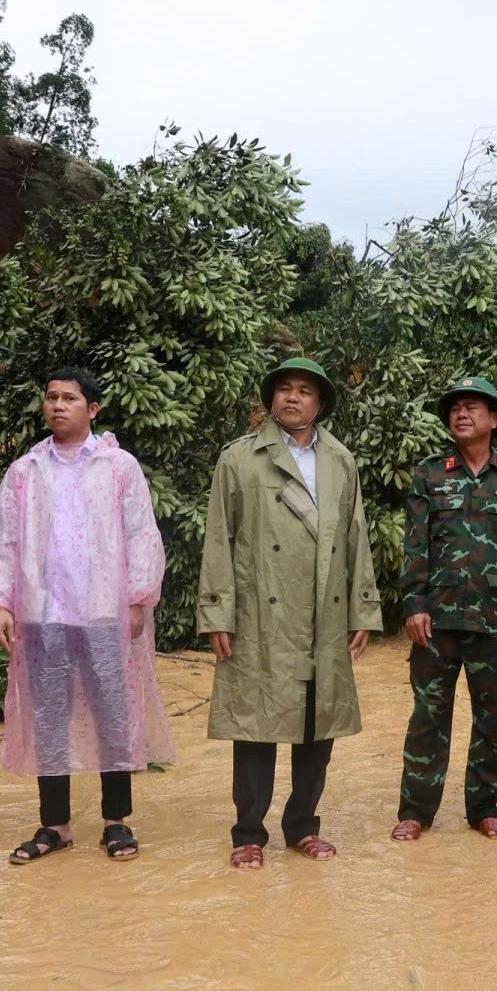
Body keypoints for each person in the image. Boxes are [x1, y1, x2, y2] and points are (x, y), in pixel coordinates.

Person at [0, 367, 175, 866]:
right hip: (42, 613)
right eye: (51, 397)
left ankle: (116, 821)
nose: (58, 405)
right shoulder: (26, 471)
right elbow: (2, 539)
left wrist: (137, 597)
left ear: (93, 408)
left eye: (69, 398)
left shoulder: (118, 466)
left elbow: (141, 535)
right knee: (49, 718)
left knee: (114, 711)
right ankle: (55, 825)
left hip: (105, 611)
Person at [199, 358, 382, 869]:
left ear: (320, 403)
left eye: (304, 391)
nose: (293, 398)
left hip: (323, 609)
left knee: (316, 721)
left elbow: (356, 536)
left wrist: (363, 608)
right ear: (271, 399)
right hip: (261, 607)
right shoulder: (239, 458)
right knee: (255, 723)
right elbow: (219, 536)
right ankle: (248, 832)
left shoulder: (341, 460)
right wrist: (218, 612)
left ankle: (302, 826)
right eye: (284, 390)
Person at [392, 375, 497, 843]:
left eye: (473, 407)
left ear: (493, 419)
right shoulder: (429, 473)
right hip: (436, 619)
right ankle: (416, 811)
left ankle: (483, 807)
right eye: (455, 407)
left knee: (493, 717)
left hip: (496, 619)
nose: (462, 413)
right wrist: (413, 604)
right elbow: (415, 543)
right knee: (428, 715)